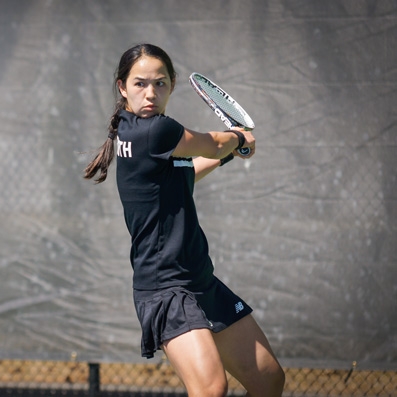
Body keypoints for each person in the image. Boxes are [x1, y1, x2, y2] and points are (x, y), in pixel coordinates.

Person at [84, 43, 285, 397]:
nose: (150, 93)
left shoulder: (133, 130)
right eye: (140, 84)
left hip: (200, 280)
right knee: (210, 389)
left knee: (269, 380)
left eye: (160, 84)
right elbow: (211, 143)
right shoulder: (154, 131)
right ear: (122, 87)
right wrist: (237, 139)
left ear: (172, 85)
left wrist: (229, 154)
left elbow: (187, 172)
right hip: (166, 289)